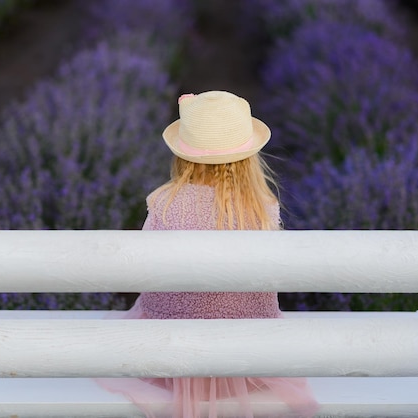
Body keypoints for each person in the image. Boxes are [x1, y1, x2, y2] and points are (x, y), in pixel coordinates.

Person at [96, 90, 319, 418]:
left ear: (182, 155)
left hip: (169, 353)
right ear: (249, 157)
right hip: (249, 356)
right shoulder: (262, 210)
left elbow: (145, 271)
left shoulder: (164, 204)